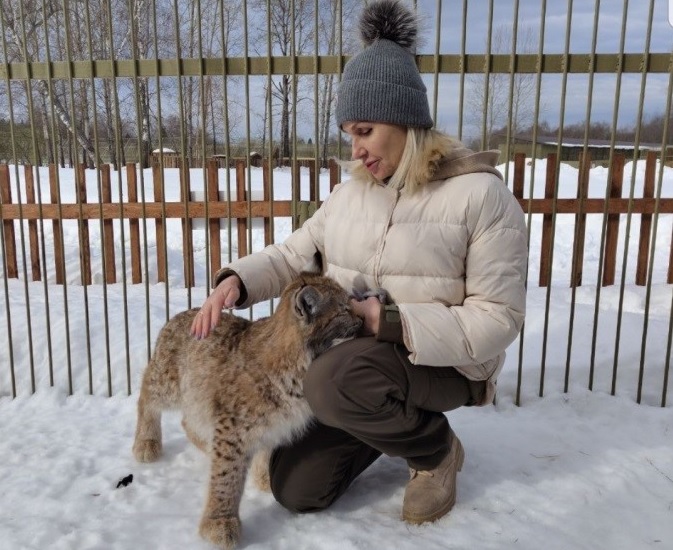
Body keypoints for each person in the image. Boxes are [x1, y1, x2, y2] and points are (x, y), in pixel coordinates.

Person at [191, 0, 527, 525]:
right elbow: (290, 254)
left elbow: (498, 321)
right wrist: (235, 282)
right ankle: (378, 418)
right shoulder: (351, 197)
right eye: (350, 133)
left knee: (333, 381)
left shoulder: (481, 198)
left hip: (441, 366)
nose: (356, 149)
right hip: (356, 366)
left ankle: (435, 451)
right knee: (296, 489)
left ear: (405, 121)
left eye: (365, 130)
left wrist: (389, 320)